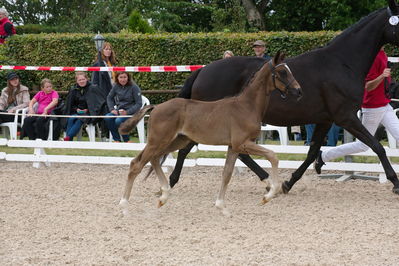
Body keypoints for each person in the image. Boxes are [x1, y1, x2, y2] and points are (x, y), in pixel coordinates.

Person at [315, 48, 399, 173]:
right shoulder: (372, 57)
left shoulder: (383, 54)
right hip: (372, 108)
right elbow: (368, 86)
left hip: (385, 106)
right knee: (362, 145)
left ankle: (322, 156)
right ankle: (323, 156)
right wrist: (382, 76)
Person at [62, 72, 107, 141]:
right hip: (78, 112)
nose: (81, 81)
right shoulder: (74, 89)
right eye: (79, 80)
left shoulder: (93, 88)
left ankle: (67, 138)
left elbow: (98, 103)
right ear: (76, 81)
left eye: (83, 79)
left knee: (80, 119)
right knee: (71, 119)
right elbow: (70, 105)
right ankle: (69, 139)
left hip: (90, 113)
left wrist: (88, 110)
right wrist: (77, 109)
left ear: (87, 79)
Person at [105, 71, 142, 142]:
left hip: (131, 112)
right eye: (121, 77)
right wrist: (112, 109)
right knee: (108, 117)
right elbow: (109, 98)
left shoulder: (134, 87)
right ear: (117, 78)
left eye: (125, 77)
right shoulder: (116, 86)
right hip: (119, 111)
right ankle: (116, 139)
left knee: (118, 121)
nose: (123, 79)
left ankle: (126, 140)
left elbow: (139, 103)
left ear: (128, 78)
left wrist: (127, 112)